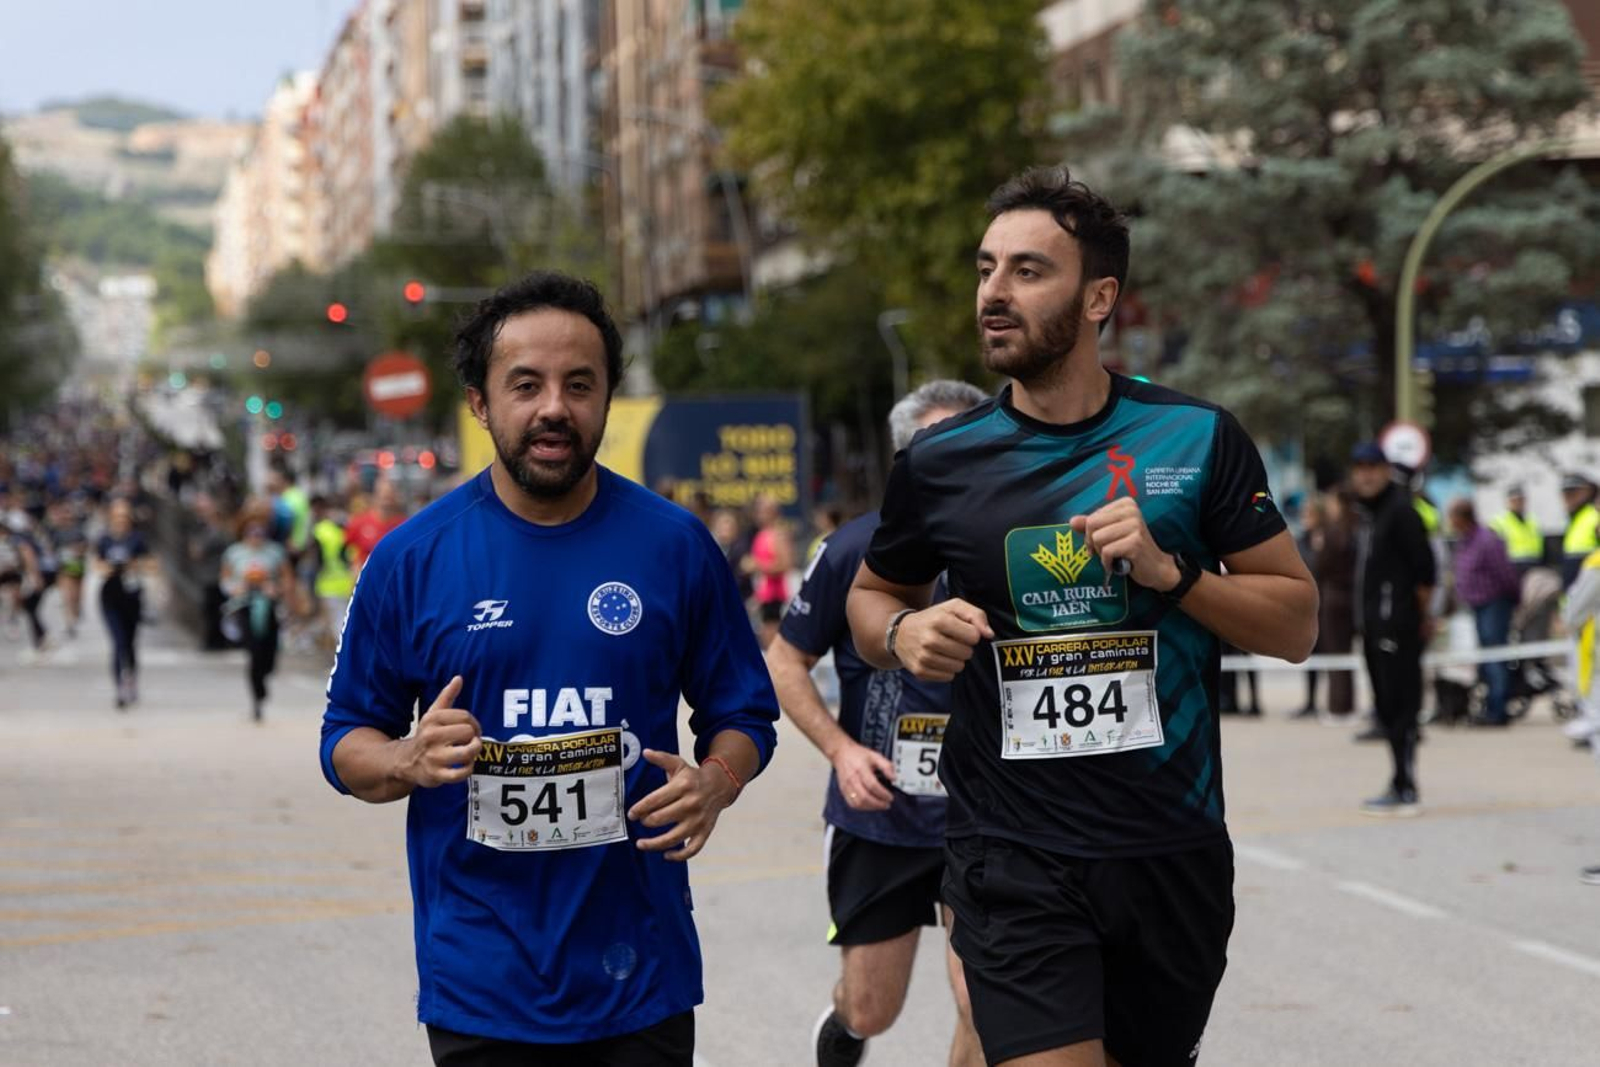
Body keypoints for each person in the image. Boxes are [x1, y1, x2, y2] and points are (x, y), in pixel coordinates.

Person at [846, 166, 1318, 1067]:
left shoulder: (1195, 439)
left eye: (1028, 271)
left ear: (1099, 296)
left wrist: (1173, 574)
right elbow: (873, 598)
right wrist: (903, 634)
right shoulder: (944, 461)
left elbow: (1295, 623)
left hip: (1168, 848)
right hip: (1011, 851)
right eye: (986, 268)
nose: (993, 292)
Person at [319, 271, 779, 1065]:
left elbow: (743, 715)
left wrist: (718, 782)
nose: (554, 408)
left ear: (606, 396)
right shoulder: (410, 559)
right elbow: (343, 741)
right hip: (480, 974)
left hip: (639, 968)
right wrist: (406, 756)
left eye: (579, 383)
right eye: (525, 385)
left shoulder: (675, 545)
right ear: (479, 401)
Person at [767, 380, 988, 1067]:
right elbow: (785, 662)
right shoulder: (852, 549)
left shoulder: (1007, 548)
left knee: (986, 1001)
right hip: (881, 813)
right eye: (936, 448)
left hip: (985, 815)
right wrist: (841, 752)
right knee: (873, 1007)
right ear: (906, 463)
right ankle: (845, 1027)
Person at [1349, 443, 1437, 814]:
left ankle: (1405, 786)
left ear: (1386, 470)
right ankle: (1399, 780)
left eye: (1373, 467)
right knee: (1386, 707)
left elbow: (1425, 572)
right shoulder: (1371, 515)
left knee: (1401, 707)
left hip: (1396, 628)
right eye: (1360, 467)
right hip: (1374, 627)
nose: (1366, 474)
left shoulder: (1401, 512)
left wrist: (1415, 618)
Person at [1447, 499, 1521, 727]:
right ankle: (1490, 704)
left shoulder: (1487, 540)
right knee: (1485, 659)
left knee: (1494, 657)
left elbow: (1505, 573)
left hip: (1495, 604)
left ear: (1462, 518)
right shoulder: (1465, 541)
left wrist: (1512, 600)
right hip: (1477, 606)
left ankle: (1498, 710)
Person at [221, 508, 293, 722]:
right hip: (244, 606)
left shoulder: (275, 552)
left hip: (267, 605)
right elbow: (225, 580)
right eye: (251, 530)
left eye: (259, 530)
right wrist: (235, 587)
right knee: (253, 652)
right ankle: (257, 696)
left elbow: (287, 579)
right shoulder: (234, 553)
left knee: (268, 652)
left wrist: (276, 589)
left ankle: (264, 675)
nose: (256, 535)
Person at [95, 498, 152, 709]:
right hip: (110, 595)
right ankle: (119, 686)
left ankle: (132, 680)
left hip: (132, 595)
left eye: (124, 516)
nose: (120, 520)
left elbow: (151, 563)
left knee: (130, 643)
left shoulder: (137, 539)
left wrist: (132, 564)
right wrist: (110, 567)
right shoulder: (104, 539)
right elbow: (97, 564)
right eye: (117, 516)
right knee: (117, 642)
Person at [745, 493, 794, 647]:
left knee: (773, 642)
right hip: (764, 597)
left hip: (774, 597)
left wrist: (757, 565)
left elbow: (786, 564)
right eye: (757, 510)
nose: (759, 514)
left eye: (763, 510)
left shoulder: (778, 534)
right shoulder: (761, 534)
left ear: (774, 512)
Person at [309, 494, 355, 648]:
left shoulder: (319, 531)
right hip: (348, 580)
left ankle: (344, 656)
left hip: (327, 582)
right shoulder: (344, 528)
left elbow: (316, 560)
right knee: (345, 620)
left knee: (336, 623)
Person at [344, 475, 405, 578]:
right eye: (382, 494)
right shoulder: (359, 523)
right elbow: (345, 550)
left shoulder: (403, 526)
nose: (386, 499)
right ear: (374, 495)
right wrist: (353, 565)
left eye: (389, 495)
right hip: (366, 582)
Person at [1490, 485, 1544, 573]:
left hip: (1534, 566)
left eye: (1520, 500)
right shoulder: (1499, 522)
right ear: (1507, 502)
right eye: (1514, 500)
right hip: (1511, 568)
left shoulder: (1533, 521)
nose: (1518, 503)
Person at [1561, 472, 1599, 588]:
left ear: (1587, 492)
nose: (1569, 497)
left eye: (1574, 492)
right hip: (1575, 596)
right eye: (1566, 493)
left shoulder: (1595, 516)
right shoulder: (1574, 519)